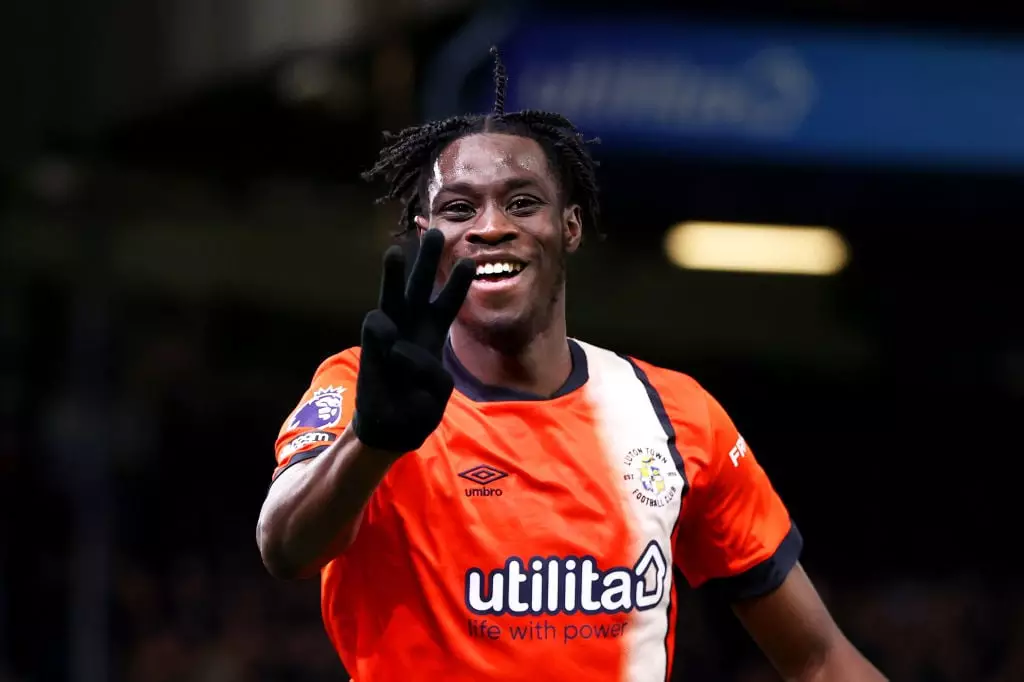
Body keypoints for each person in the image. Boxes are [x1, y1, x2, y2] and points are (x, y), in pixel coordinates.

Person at [257, 48, 885, 682]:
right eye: (459, 209)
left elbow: (819, 660)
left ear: (570, 226)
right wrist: (370, 442)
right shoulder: (368, 388)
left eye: (522, 202)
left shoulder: (675, 415)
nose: (490, 227)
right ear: (427, 238)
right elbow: (284, 548)